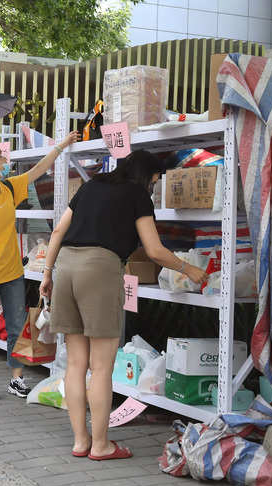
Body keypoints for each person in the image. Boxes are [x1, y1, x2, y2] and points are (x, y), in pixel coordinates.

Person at [39, 150, 208, 461]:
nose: (154, 187)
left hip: (65, 267)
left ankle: (81, 442)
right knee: (101, 368)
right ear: (147, 176)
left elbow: (60, 230)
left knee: (76, 364)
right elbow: (154, 250)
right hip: (100, 269)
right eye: (155, 180)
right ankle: (101, 445)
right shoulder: (137, 194)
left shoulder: (91, 186)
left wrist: (47, 273)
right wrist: (189, 269)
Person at [0, 131, 79, 400]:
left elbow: (38, 170)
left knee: (15, 326)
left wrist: (61, 145)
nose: (4, 159)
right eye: (0, 157)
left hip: (12, 271)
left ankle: (16, 378)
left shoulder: (10, 188)